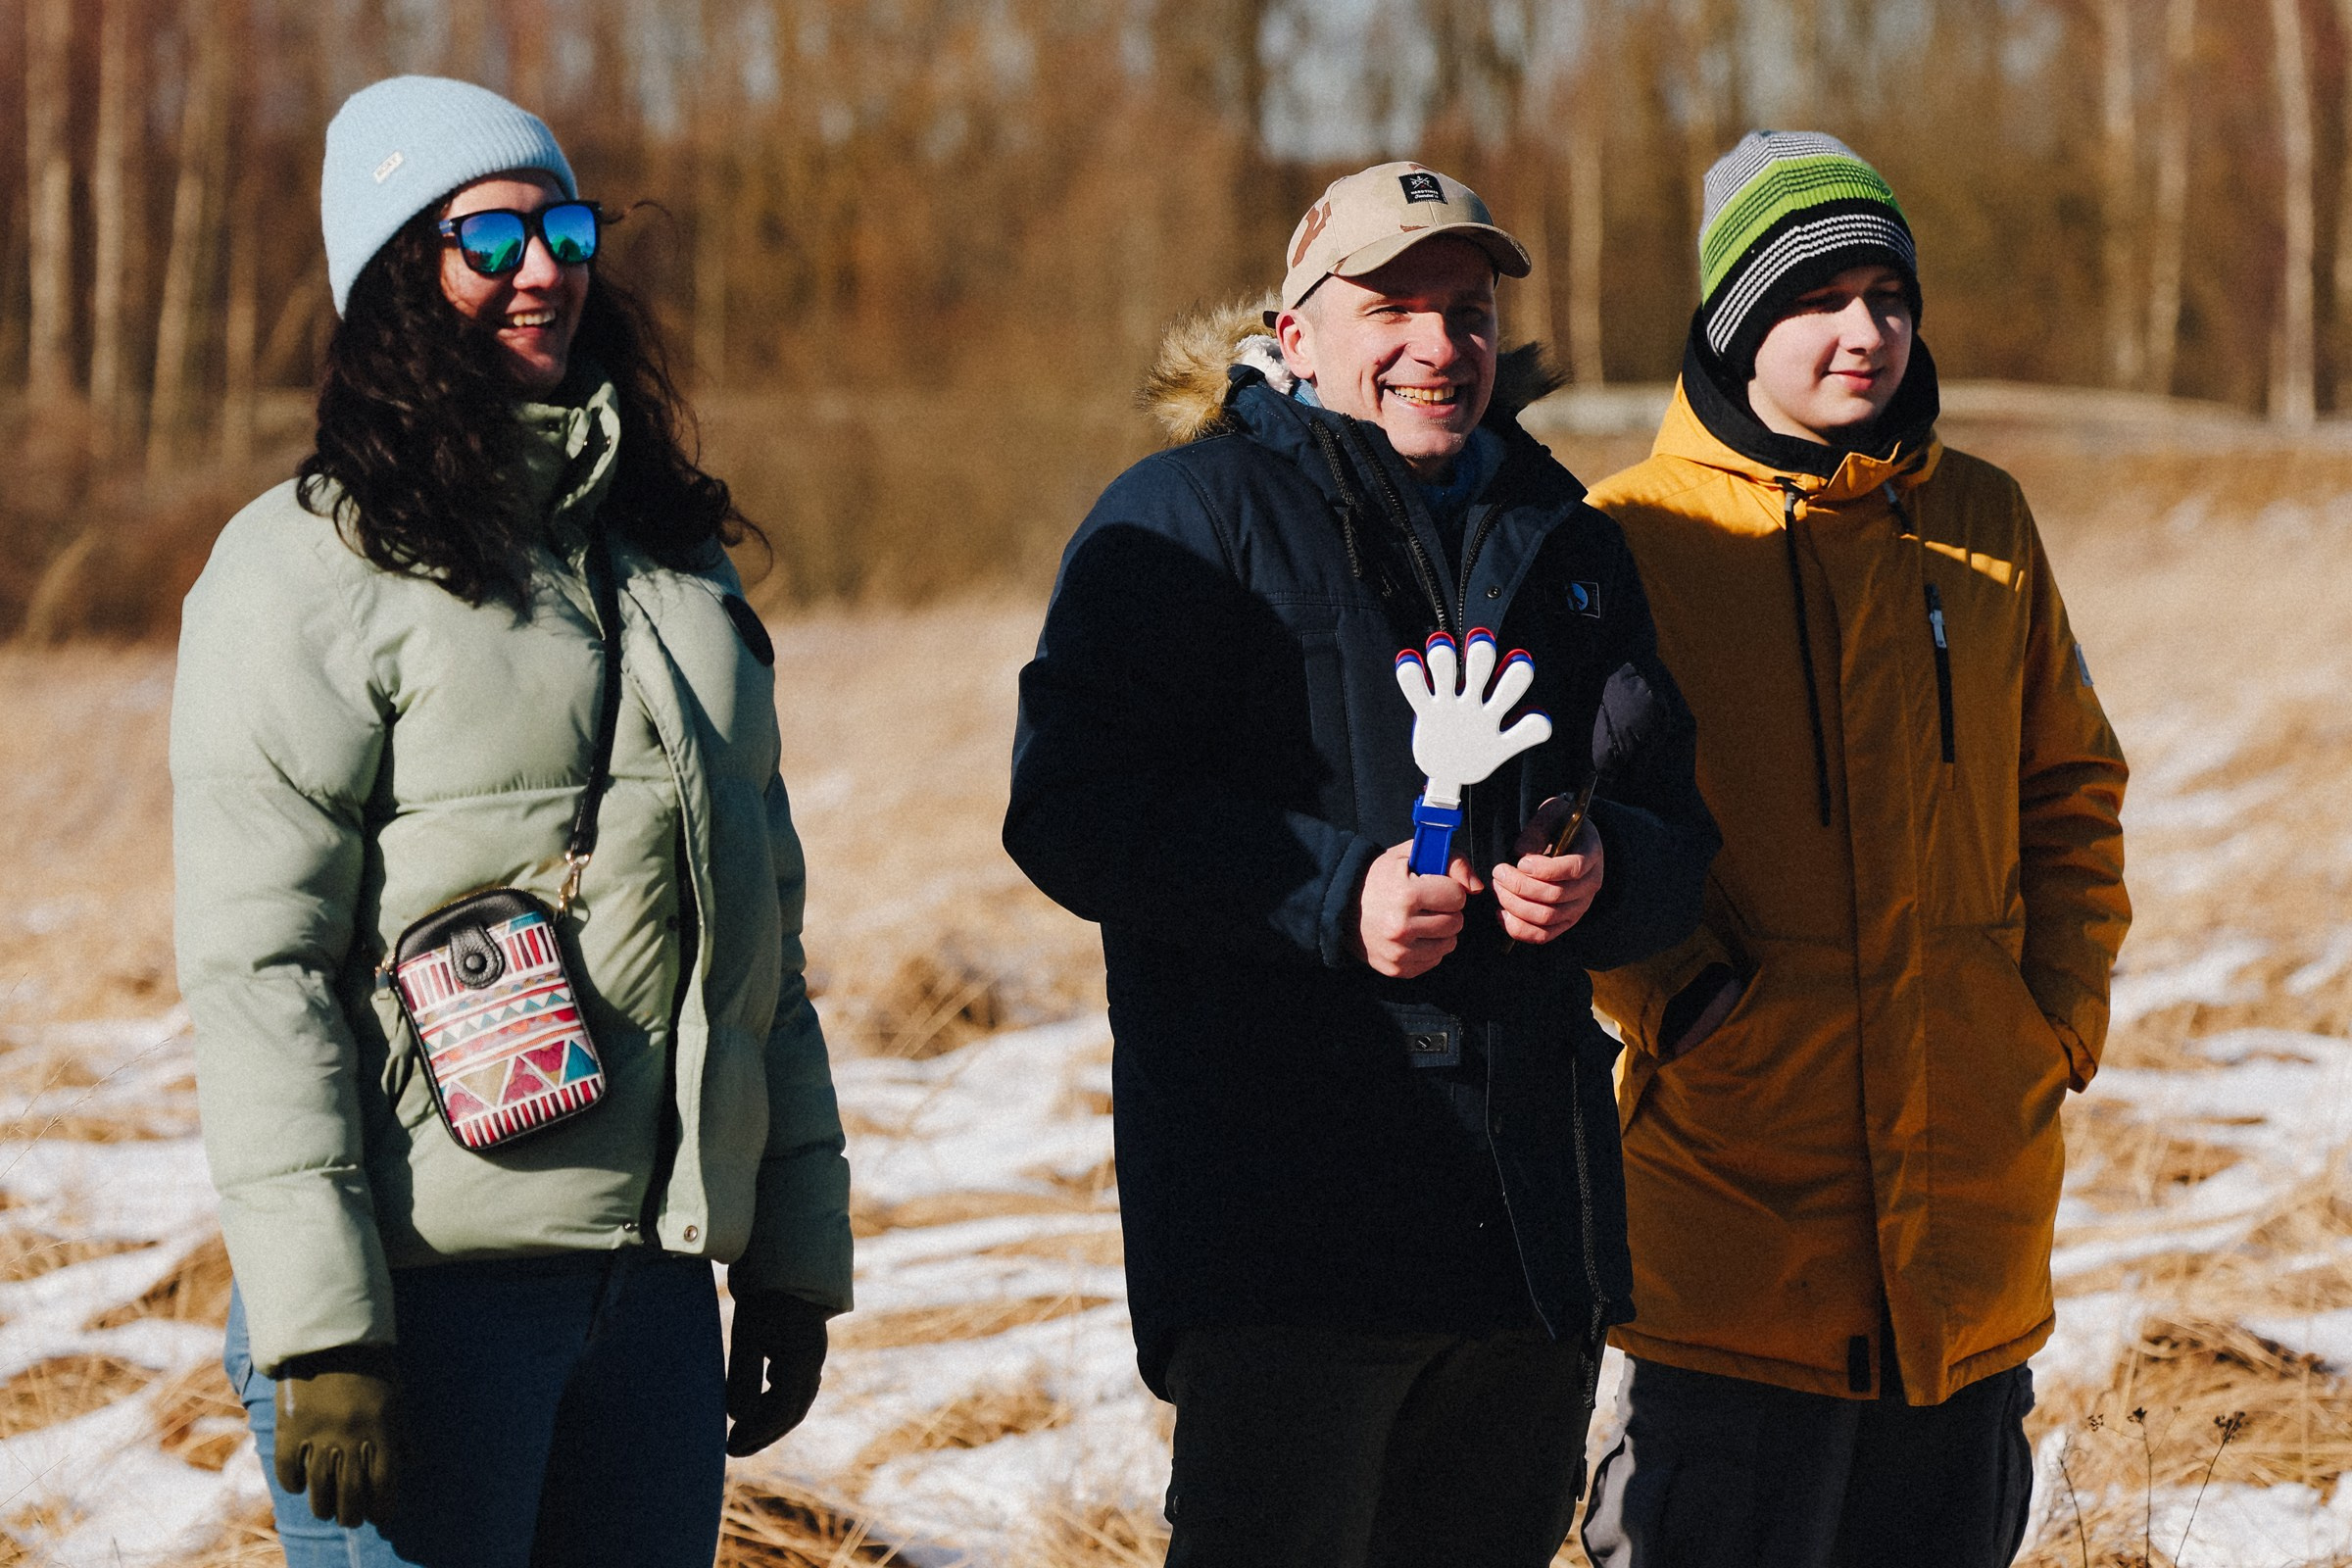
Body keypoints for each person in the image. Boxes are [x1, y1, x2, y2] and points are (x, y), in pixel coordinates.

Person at [172, 75, 852, 1567]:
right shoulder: (304, 569)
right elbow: (258, 969)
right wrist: (324, 1330)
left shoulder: (670, 562)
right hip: (426, 1308)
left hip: (653, 1295)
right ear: (398, 277)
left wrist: (791, 1253)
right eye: (491, 240)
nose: (546, 266)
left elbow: (761, 930)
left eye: (565, 226)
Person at [1004, 162, 1719, 1567]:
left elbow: (1673, 831)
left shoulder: (1569, 543)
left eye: (1467, 309)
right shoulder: (1183, 519)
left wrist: (1600, 876)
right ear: (1298, 327)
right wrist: (1334, 898)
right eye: (1393, 304)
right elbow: (1071, 809)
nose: (1438, 346)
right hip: (1289, 1242)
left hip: (1522, 1244)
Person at [1577, 131, 2131, 1568]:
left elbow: (2070, 786)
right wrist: (1686, 1003)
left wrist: (2051, 1015)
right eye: (1819, 299)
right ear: (1737, 323)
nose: (1866, 333)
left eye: (1889, 295)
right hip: (1738, 1225)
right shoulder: (1632, 539)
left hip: (1965, 1217)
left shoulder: (1983, 520)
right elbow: (1577, 825)